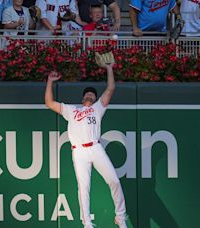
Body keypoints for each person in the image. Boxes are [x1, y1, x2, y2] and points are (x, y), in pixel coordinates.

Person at [44, 53, 127, 228]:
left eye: (92, 95)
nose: (89, 97)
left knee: (114, 180)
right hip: (79, 151)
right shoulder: (71, 110)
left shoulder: (97, 108)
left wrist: (109, 68)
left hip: (96, 148)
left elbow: (110, 89)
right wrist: (50, 81)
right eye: (87, 95)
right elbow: (49, 103)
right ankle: (87, 223)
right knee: (84, 188)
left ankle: (120, 217)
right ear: (83, 98)